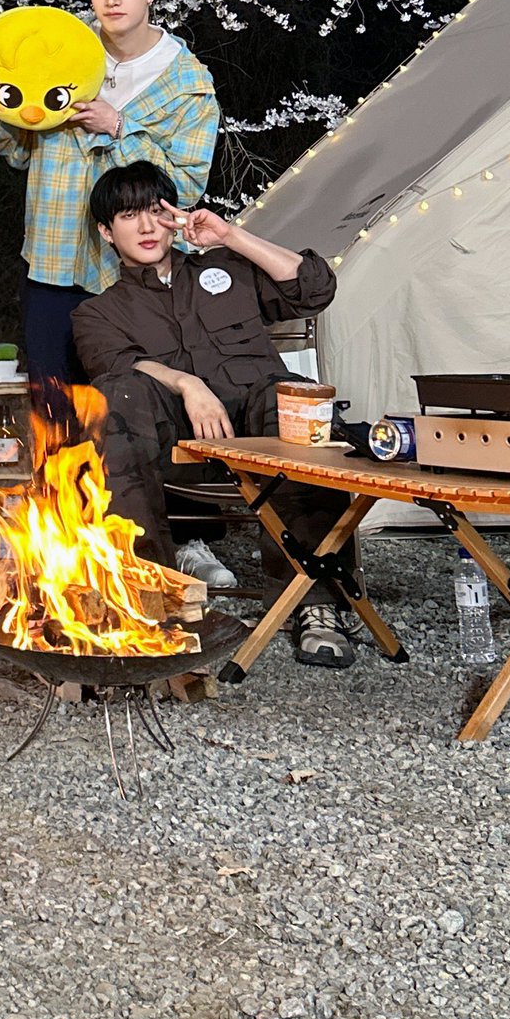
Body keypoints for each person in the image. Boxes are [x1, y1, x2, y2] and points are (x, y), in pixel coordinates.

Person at [71, 161, 355, 668]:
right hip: (177, 452)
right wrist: (187, 383)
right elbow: (114, 367)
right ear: (106, 232)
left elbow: (316, 289)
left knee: (293, 398)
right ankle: (148, 599)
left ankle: (316, 604)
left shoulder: (228, 269)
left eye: (155, 212)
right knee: (117, 398)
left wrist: (230, 236)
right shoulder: (97, 313)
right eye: (129, 216)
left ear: (174, 217)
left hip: (266, 439)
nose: (146, 227)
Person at [0, 0, 219, 400]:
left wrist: (119, 128)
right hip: (52, 259)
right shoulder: (60, 56)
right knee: (53, 403)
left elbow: (186, 185)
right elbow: (22, 153)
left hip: (133, 273)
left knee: (130, 400)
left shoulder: (189, 83)